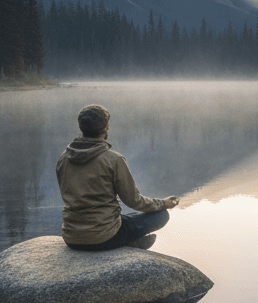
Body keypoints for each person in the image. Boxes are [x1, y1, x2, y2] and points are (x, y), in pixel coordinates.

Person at [56, 103, 179, 250]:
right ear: (107, 127)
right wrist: (163, 204)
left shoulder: (64, 158)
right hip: (105, 237)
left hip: (71, 237)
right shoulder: (113, 160)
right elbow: (134, 201)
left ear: (81, 128)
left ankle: (128, 241)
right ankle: (129, 243)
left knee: (130, 217)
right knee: (160, 215)